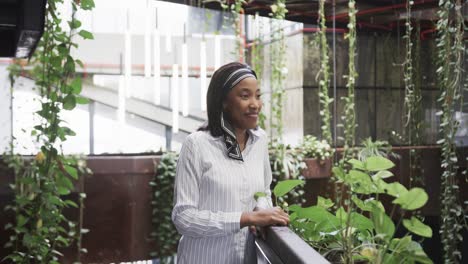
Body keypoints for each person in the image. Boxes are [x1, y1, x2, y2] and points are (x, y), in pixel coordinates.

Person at [171, 62, 290, 264]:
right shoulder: (197, 145)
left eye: (258, 95)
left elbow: (264, 192)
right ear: (224, 101)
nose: (255, 104)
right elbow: (184, 218)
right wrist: (245, 218)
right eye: (245, 96)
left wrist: (261, 210)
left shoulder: (260, 140)